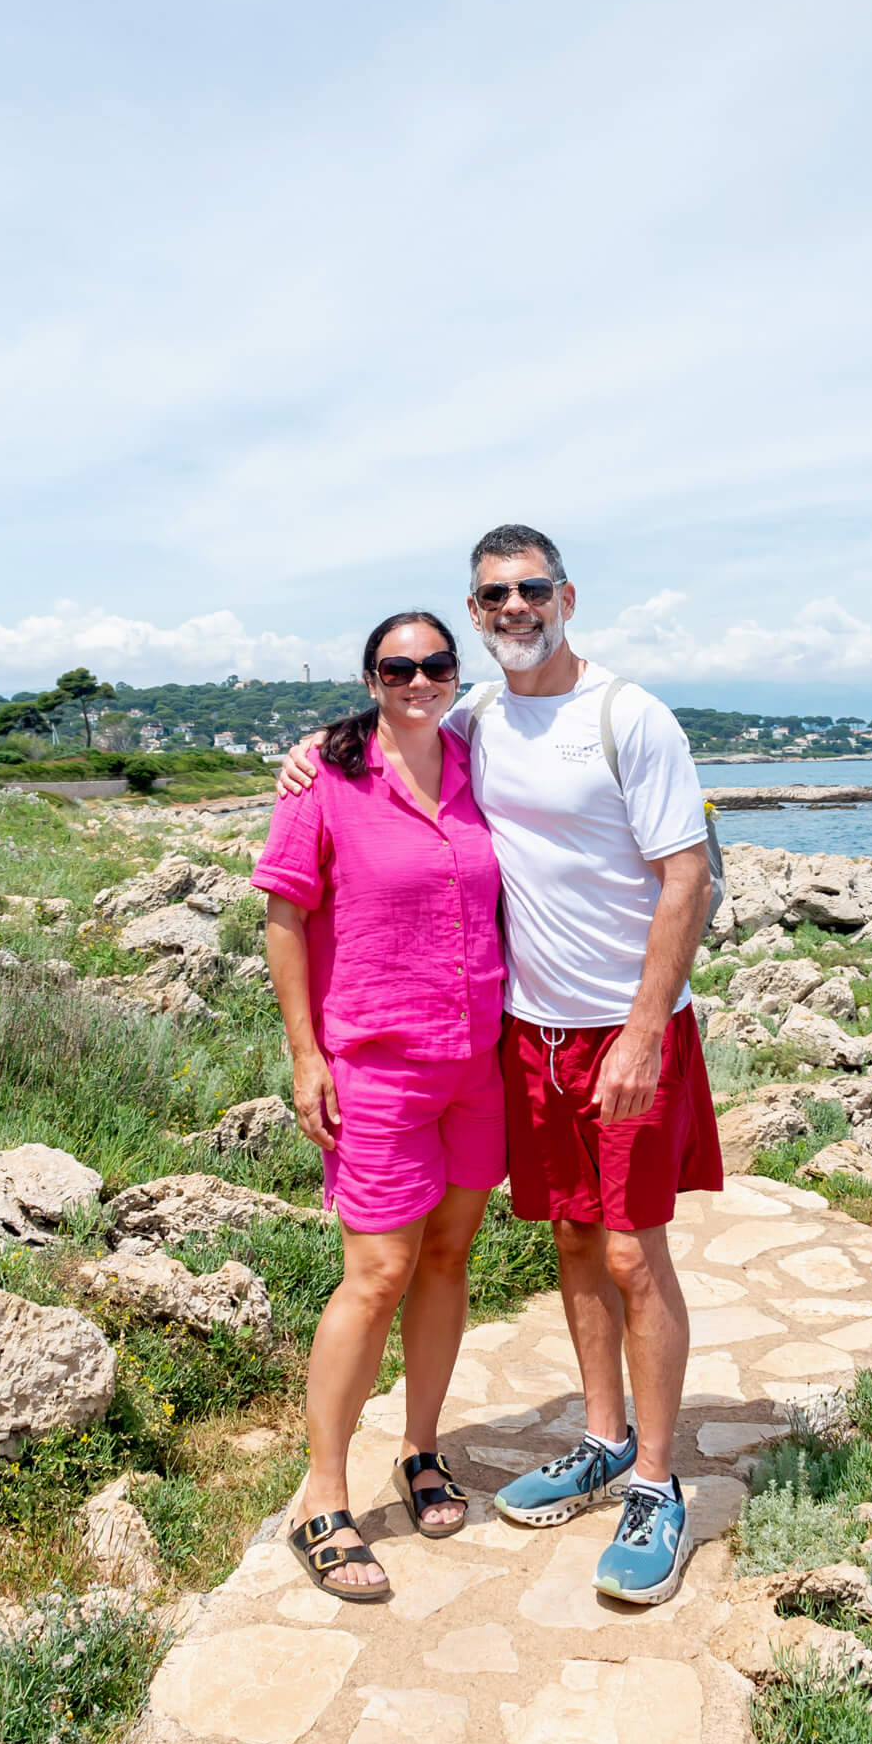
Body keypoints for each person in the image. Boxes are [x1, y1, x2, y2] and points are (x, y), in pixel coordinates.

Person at [280, 525, 722, 1608]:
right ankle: (602, 1436)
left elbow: (689, 880)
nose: (514, 606)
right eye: (493, 595)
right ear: (476, 613)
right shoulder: (475, 717)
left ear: (566, 595)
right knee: (574, 1236)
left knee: (631, 1251)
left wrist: (644, 1028)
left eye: (532, 588)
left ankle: (658, 1486)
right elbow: (388, 735)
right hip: (525, 1034)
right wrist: (312, 744)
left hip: (625, 1030)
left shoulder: (630, 715)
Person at [252, 610, 507, 1602]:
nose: (418, 678)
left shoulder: (477, 756)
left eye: (435, 663)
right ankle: (322, 1494)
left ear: (455, 673)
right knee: (377, 1271)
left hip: (474, 1059)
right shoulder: (326, 775)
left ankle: (421, 1448)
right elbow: (284, 913)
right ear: (369, 675)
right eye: (397, 665)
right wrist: (305, 1053)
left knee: (448, 1256)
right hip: (375, 1062)